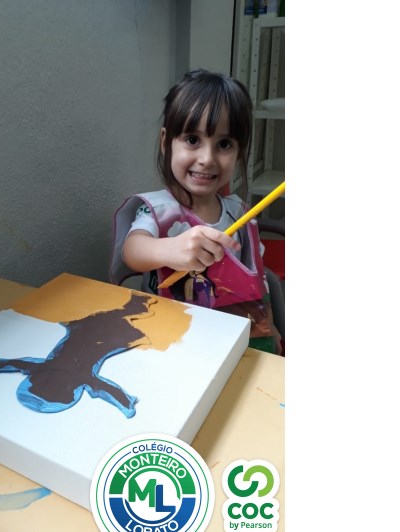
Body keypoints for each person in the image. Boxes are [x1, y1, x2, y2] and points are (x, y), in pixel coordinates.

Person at [109, 69, 281, 354]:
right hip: (167, 343)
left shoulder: (240, 213)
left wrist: (269, 324)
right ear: (166, 142)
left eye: (224, 144)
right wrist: (170, 249)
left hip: (228, 342)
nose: (207, 158)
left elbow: (257, 278)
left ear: (239, 152)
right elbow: (132, 250)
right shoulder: (158, 211)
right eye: (192, 140)